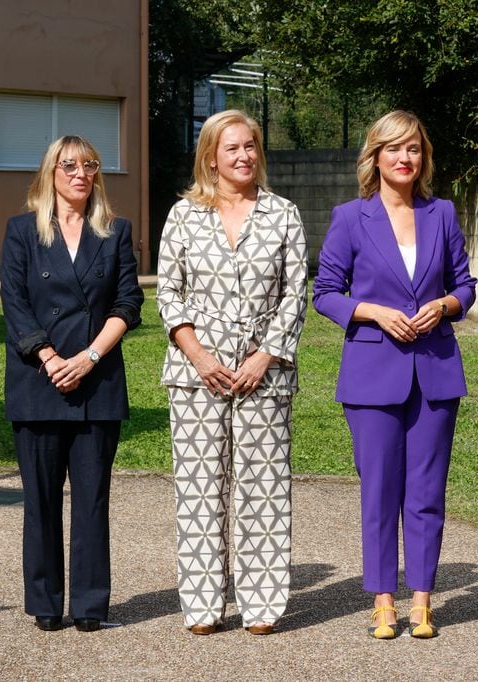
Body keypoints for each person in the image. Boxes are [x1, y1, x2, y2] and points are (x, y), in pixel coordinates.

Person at [313, 110, 476, 639]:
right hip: (371, 375)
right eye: (394, 149)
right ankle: (384, 600)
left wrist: (447, 305)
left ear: (423, 158)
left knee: (427, 490)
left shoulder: (442, 214)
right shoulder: (348, 217)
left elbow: (467, 285)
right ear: (376, 157)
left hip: (435, 372)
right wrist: (374, 312)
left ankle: (422, 601)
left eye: (414, 149)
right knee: (379, 489)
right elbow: (326, 293)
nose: (405, 158)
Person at [157, 109, 308, 636]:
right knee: (199, 490)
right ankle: (202, 606)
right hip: (196, 374)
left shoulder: (283, 214)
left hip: (263, 375)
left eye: (250, 147)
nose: (243, 156)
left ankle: (262, 606)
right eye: (232, 149)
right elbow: (168, 293)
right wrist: (198, 356)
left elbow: (296, 292)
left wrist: (265, 355)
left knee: (263, 487)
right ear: (210, 157)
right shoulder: (183, 215)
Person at [0, 135, 144, 633]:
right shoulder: (21, 231)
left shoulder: (116, 231)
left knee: (92, 499)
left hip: (96, 382)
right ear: (50, 172)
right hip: (37, 383)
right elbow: (14, 303)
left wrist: (87, 357)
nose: (81, 173)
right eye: (69, 165)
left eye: (90, 165)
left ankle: (88, 605)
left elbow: (128, 304)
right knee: (39, 500)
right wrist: (49, 356)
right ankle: (44, 601)